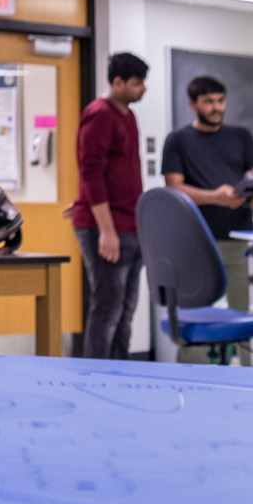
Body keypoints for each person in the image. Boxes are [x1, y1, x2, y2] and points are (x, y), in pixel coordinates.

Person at [161, 74, 253, 360]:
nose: (217, 107)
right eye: (208, 101)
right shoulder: (178, 140)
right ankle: (193, 378)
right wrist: (215, 197)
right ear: (192, 104)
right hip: (196, 242)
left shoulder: (241, 136)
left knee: (248, 316)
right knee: (195, 317)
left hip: (240, 239)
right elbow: (174, 188)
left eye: (220, 101)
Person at [72, 51, 147, 360]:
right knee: (107, 309)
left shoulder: (127, 116)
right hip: (108, 227)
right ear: (117, 83)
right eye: (137, 83)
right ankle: (97, 374)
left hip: (131, 225)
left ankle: (120, 370)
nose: (143, 89)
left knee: (126, 310)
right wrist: (105, 229)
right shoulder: (99, 114)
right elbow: (90, 171)